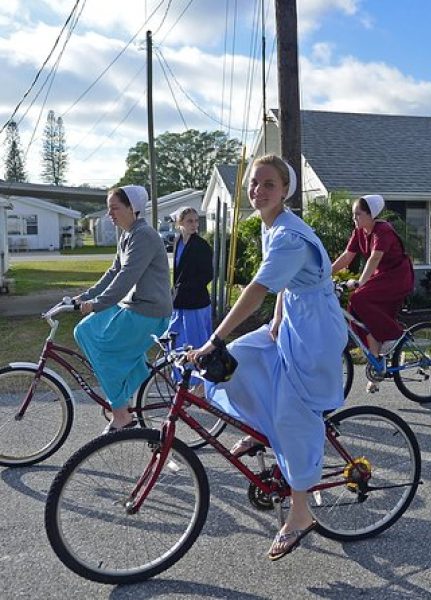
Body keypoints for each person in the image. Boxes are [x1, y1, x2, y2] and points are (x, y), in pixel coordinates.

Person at [188, 154, 347, 561]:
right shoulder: (270, 225)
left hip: (315, 332)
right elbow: (284, 285)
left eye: (268, 184)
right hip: (295, 317)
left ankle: (299, 514)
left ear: (284, 191)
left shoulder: (289, 236)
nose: (257, 190)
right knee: (243, 358)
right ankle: (262, 427)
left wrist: (214, 339)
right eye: (254, 183)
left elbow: (258, 288)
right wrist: (276, 318)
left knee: (294, 414)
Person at [73, 185, 172, 432]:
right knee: (84, 331)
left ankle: (121, 413)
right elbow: (114, 272)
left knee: (105, 350)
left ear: (133, 208)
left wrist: (97, 304)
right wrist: (83, 297)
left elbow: (127, 277)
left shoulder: (145, 236)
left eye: (115, 208)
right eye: (109, 209)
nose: (110, 215)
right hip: (132, 306)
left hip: (149, 312)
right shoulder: (127, 235)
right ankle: (135, 372)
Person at [330, 194, 414, 392]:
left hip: (397, 277)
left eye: (358, 214)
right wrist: (323, 274)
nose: (354, 218)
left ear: (371, 214)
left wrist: (360, 282)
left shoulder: (382, 230)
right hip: (381, 277)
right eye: (353, 214)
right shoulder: (359, 232)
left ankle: (393, 335)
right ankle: (376, 364)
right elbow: (347, 257)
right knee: (355, 313)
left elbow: (374, 258)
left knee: (359, 298)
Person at [167, 206, 213, 386]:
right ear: (180, 223)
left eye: (196, 221)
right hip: (179, 301)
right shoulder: (178, 241)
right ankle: (181, 379)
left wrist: (186, 288)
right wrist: (176, 291)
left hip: (196, 303)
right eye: (189, 221)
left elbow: (207, 275)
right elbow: (177, 272)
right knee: (175, 340)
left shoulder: (202, 246)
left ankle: (199, 383)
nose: (194, 225)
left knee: (196, 343)